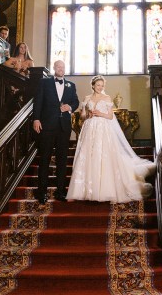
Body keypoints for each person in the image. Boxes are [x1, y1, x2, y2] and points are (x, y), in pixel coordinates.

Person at [66, 75, 155, 203]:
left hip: (103, 129)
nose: (100, 87)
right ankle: (81, 191)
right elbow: (83, 116)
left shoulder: (107, 98)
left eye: (102, 85)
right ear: (93, 85)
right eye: (98, 85)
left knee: (104, 157)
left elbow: (110, 116)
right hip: (90, 128)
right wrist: (88, 114)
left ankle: (106, 191)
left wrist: (100, 114)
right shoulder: (87, 98)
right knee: (87, 157)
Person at [32, 60, 79, 204]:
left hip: (64, 128)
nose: (61, 69)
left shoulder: (71, 85)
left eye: (63, 67)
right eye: (58, 66)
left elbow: (76, 102)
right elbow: (38, 101)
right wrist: (36, 119)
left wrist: (69, 107)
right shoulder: (44, 82)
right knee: (45, 159)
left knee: (62, 160)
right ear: (54, 68)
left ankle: (60, 191)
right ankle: (42, 193)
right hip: (47, 126)